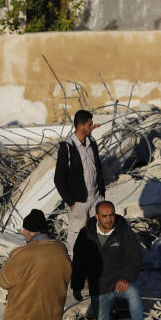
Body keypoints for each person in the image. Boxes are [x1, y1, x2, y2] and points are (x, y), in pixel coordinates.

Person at [71, 200, 146, 320]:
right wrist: (76, 286)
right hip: (100, 287)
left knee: (134, 294)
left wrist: (126, 277)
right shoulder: (86, 234)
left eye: (111, 215)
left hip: (120, 283)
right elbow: (78, 262)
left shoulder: (123, 231)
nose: (109, 219)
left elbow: (134, 258)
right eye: (104, 216)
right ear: (97, 216)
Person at [54, 109, 106, 256]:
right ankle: (76, 269)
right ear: (80, 126)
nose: (92, 126)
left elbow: (97, 168)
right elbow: (58, 179)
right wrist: (71, 202)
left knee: (97, 235)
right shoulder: (67, 147)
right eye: (89, 125)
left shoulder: (92, 142)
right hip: (79, 202)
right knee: (77, 237)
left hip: (96, 198)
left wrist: (102, 194)